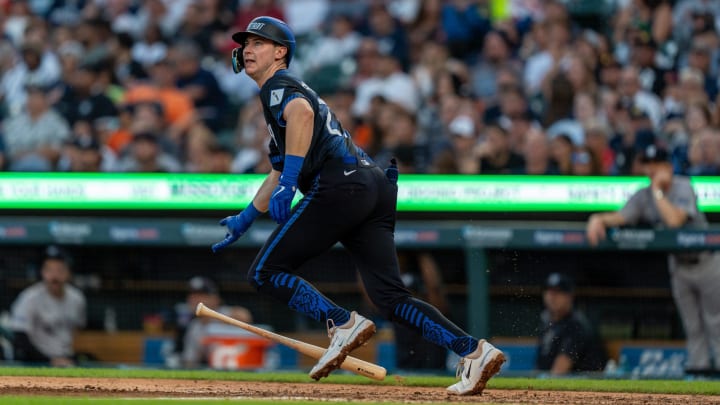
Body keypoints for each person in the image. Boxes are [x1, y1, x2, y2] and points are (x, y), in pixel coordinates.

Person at [211, 16, 505, 395]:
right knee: (391, 297)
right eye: (245, 44)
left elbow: (299, 115)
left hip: (341, 186)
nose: (248, 49)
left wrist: (289, 183)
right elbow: (279, 166)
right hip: (373, 186)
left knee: (264, 273)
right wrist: (247, 217)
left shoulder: (278, 85)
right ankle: (472, 350)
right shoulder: (280, 93)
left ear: (280, 52)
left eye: (258, 43)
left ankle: (340, 322)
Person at [586, 144, 720, 376]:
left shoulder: (683, 186)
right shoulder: (644, 194)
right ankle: (700, 376)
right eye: (647, 164)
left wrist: (658, 190)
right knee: (693, 326)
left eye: (656, 165)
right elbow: (620, 216)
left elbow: (674, 221)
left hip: (707, 262)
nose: (650, 170)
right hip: (679, 265)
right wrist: (598, 218)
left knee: (716, 323)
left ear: (667, 166)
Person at [9, 245, 86, 366]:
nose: (54, 276)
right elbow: (20, 338)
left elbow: (78, 330)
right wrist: (48, 360)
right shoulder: (29, 297)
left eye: (60, 270)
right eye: (49, 270)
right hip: (36, 361)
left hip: (66, 359)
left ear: (68, 273)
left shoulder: (77, 298)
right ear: (42, 273)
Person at [171, 276, 253, 369]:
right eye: (192, 294)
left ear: (215, 298)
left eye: (202, 294)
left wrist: (216, 320)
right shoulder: (195, 327)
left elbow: (245, 316)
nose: (195, 299)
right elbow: (190, 361)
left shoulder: (226, 313)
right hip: (219, 374)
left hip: (246, 368)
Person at [535, 273, 607, 375]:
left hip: (583, 385)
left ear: (569, 296)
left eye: (558, 292)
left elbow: (559, 371)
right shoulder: (546, 321)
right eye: (549, 291)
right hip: (554, 381)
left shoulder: (576, 324)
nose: (552, 296)